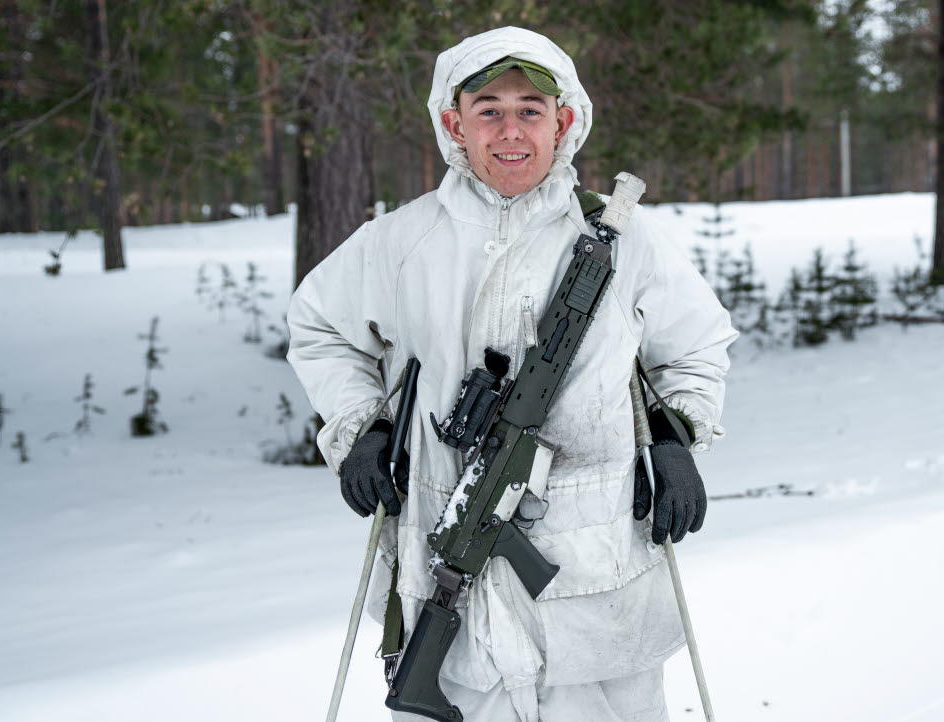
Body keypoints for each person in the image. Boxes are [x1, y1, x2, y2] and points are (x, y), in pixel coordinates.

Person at [287, 26, 737, 722]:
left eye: (530, 109)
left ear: (564, 121)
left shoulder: (623, 241)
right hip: (446, 554)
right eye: (487, 109)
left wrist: (675, 436)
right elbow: (320, 330)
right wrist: (360, 429)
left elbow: (696, 347)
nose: (510, 130)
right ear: (453, 122)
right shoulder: (400, 242)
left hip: (594, 584)